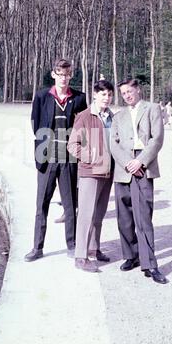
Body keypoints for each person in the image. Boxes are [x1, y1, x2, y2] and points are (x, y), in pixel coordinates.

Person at [25, 58, 87, 262]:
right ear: (53, 74)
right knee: (41, 204)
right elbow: (35, 124)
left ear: (71, 75)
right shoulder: (42, 96)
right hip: (47, 158)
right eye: (60, 74)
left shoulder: (79, 98)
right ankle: (37, 247)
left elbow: (84, 128)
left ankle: (72, 245)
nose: (63, 78)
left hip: (69, 159)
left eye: (67, 74)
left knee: (70, 205)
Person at [110, 78, 168, 284]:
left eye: (129, 91)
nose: (126, 95)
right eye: (123, 93)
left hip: (143, 166)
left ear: (138, 90)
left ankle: (150, 264)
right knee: (124, 217)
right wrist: (127, 162)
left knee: (143, 217)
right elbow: (113, 144)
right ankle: (131, 256)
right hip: (123, 167)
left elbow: (157, 139)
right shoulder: (118, 116)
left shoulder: (152, 109)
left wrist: (140, 161)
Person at [68, 79, 114, 272]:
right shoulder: (85, 116)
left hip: (108, 172)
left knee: (99, 214)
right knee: (86, 214)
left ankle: (94, 249)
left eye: (110, 95)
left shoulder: (112, 116)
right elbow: (72, 145)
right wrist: (91, 156)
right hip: (90, 172)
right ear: (94, 94)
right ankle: (80, 256)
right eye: (103, 94)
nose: (107, 98)